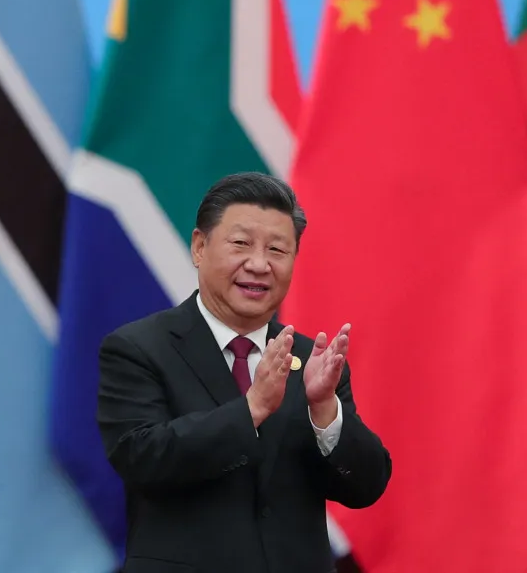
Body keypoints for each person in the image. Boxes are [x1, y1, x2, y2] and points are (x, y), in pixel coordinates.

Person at [96, 172, 392, 573]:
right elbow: (142, 458)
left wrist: (325, 412)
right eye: (241, 244)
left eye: (277, 250)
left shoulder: (311, 361)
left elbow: (365, 486)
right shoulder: (138, 348)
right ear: (200, 247)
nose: (259, 264)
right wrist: (250, 409)